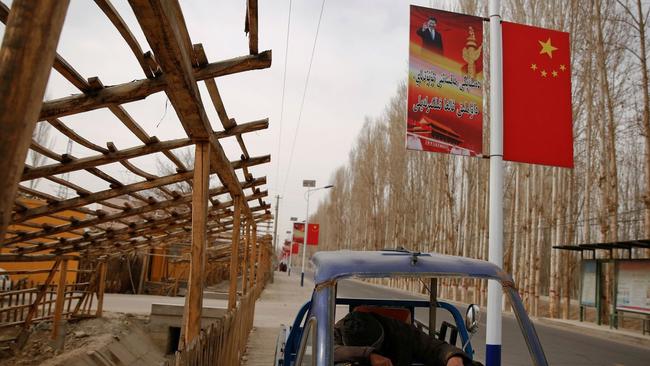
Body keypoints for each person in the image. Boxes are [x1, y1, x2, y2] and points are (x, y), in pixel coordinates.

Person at [334, 311, 482, 366]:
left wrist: (453, 358)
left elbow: (435, 347)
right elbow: (328, 351)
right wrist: (368, 355)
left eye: (378, 347)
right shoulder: (337, 332)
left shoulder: (398, 331)